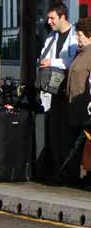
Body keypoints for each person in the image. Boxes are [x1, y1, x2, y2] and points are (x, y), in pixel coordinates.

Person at [39, 2, 78, 177]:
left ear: (63, 17)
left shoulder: (75, 36)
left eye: (52, 18)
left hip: (68, 92)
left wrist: (52, 62)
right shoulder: (51, 37)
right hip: (53, 92)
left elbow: (72, 62)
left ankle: (69, 171)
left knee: (67, 134)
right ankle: (57, 169)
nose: (49, 22)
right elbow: (43, 57)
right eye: (48, 18)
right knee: (55, 132)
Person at [62, 17, 91, 184]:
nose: (77, 38)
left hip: (84, 107)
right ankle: (74, 175)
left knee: (84, 145)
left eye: (80, 35)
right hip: (74, 107)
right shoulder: (81, 53)